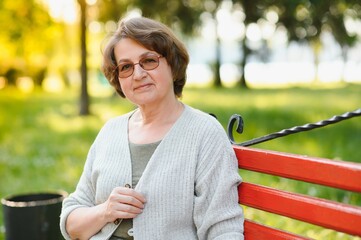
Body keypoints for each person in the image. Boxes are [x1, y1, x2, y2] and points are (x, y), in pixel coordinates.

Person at [60, 16, 244, 240]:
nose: (138, 75)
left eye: (148, 61)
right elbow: (72, 222)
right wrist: (106, 211)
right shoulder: (110, 131)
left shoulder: (204, 133)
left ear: (172, 64)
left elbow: (223, 229)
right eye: (126, 67)